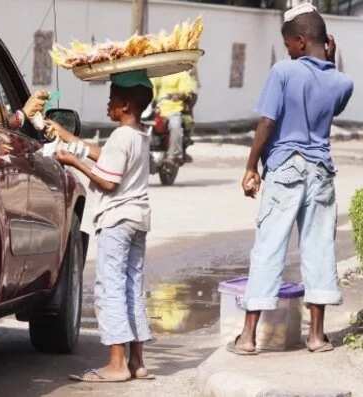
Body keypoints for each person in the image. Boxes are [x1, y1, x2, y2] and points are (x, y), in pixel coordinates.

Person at [227, 4, 354, 355]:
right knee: (319, 249)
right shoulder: (343, 82)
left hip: (285, 168)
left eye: (288, 45)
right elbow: (332, 103)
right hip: (321, 172)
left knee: (269, 246)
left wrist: (251, 166)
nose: (287, 52)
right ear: (326, 42)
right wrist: (332, 55)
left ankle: (249, 337)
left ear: (298, 42)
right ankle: (315, 337)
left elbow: (267, 122)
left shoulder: (283, 71)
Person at [46, 70, 154, 382]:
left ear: (126, 105)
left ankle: (116, 365)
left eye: (112, 100)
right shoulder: (139, 134)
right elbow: (104, 156)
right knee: (132, 286)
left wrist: (73, 163)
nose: (107, 105)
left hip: (117, 221)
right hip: (137, 219)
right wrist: (66, 137)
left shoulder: (121, 137)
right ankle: (137, 361)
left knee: (111, 288)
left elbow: (107, 179)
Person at [151, 71, 198, 164]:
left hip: (174, 108)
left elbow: (185, 90)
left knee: (175, 125)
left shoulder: (182, 74)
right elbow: (151, 86)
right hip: (157, 109)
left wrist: (179, 95)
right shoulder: (158, 72)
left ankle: (174, 155)